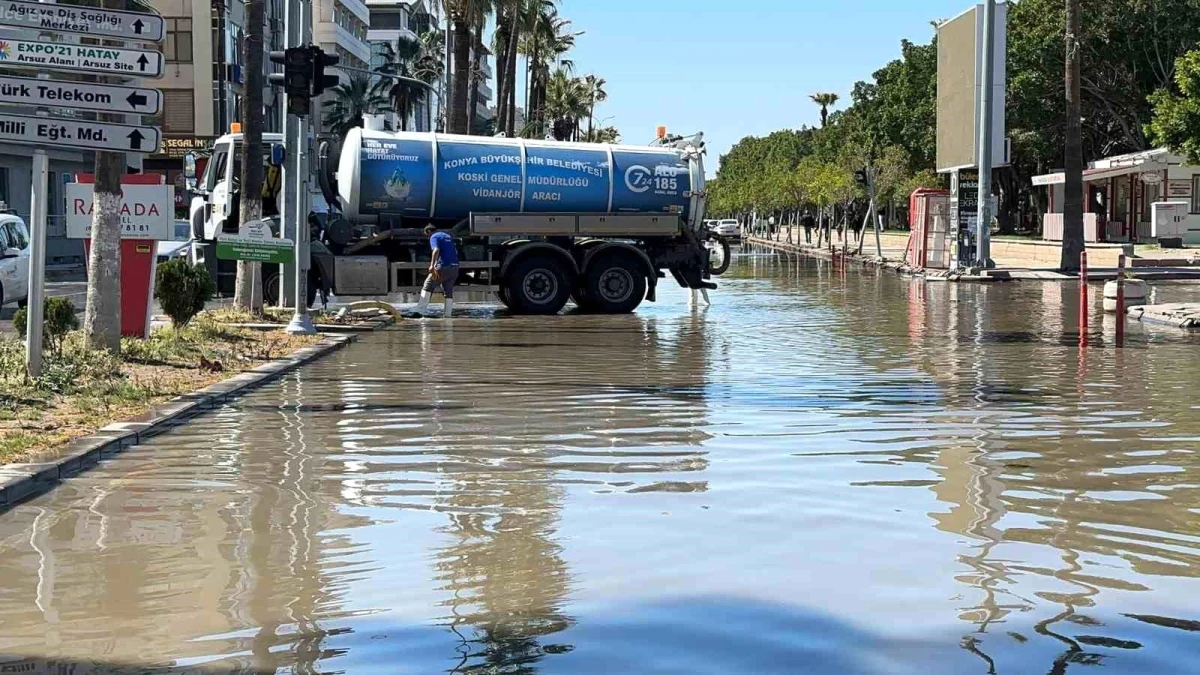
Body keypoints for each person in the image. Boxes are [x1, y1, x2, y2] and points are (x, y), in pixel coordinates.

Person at [411, 225, 460, 318]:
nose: (428, 237)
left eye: (427, 235)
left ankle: (420, 311)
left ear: (429, 231)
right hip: (455, 267)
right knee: (448, 291)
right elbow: (456, 251)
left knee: (427, 285)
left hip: (443, 266)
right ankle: (447, 315)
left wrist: (432, 265)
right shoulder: (447, 236)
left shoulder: (434, 236)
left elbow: (436, 249)